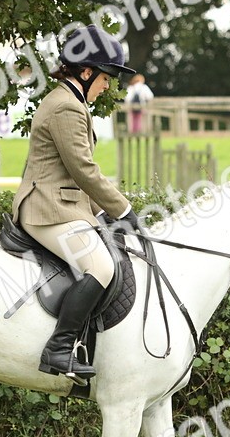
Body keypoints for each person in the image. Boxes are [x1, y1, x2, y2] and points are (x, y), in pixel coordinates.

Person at [12, 24, 137, 382]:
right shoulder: (66, 106)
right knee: (101, 267)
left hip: (62, 204)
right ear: (86, 71)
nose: (107, 86)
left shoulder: (70, 101)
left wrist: (99, 214)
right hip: (46, 209)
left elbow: (70, 176)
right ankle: (59, 348)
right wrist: (122, 210)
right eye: (106, 77)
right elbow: (83, 169)